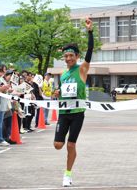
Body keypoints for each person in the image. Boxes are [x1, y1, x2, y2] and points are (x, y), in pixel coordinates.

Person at [54, 17, 94, 187]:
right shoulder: (63, 73)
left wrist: (90, 31)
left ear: (77, 56)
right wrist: (57, 94)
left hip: (77, 114)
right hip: (63, 113)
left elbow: (90, 52)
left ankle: (68, 174)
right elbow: (62, 91)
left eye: (71, 55)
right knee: (58, 145)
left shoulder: (82, 69)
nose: (68, 58)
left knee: (71, 144)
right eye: (66, 56)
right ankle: (63, 138)